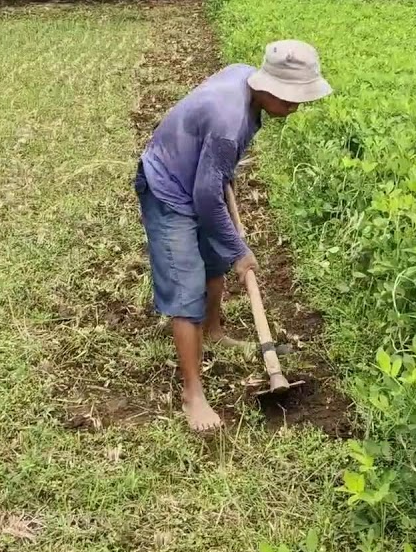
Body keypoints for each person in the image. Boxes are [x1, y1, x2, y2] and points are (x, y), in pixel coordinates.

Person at [134, 40, 333, 432]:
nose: (294, 107)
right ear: (268, 87)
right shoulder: (229, 124)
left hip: (199, 176)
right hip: (168, 186)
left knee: (214, 260)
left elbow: (213, 169)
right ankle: (193, 394)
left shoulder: (243, 75)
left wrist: (223, 182)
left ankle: (213, 333)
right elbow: (205, 198)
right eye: (290, 98)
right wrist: (240, 250)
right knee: (186, 288)